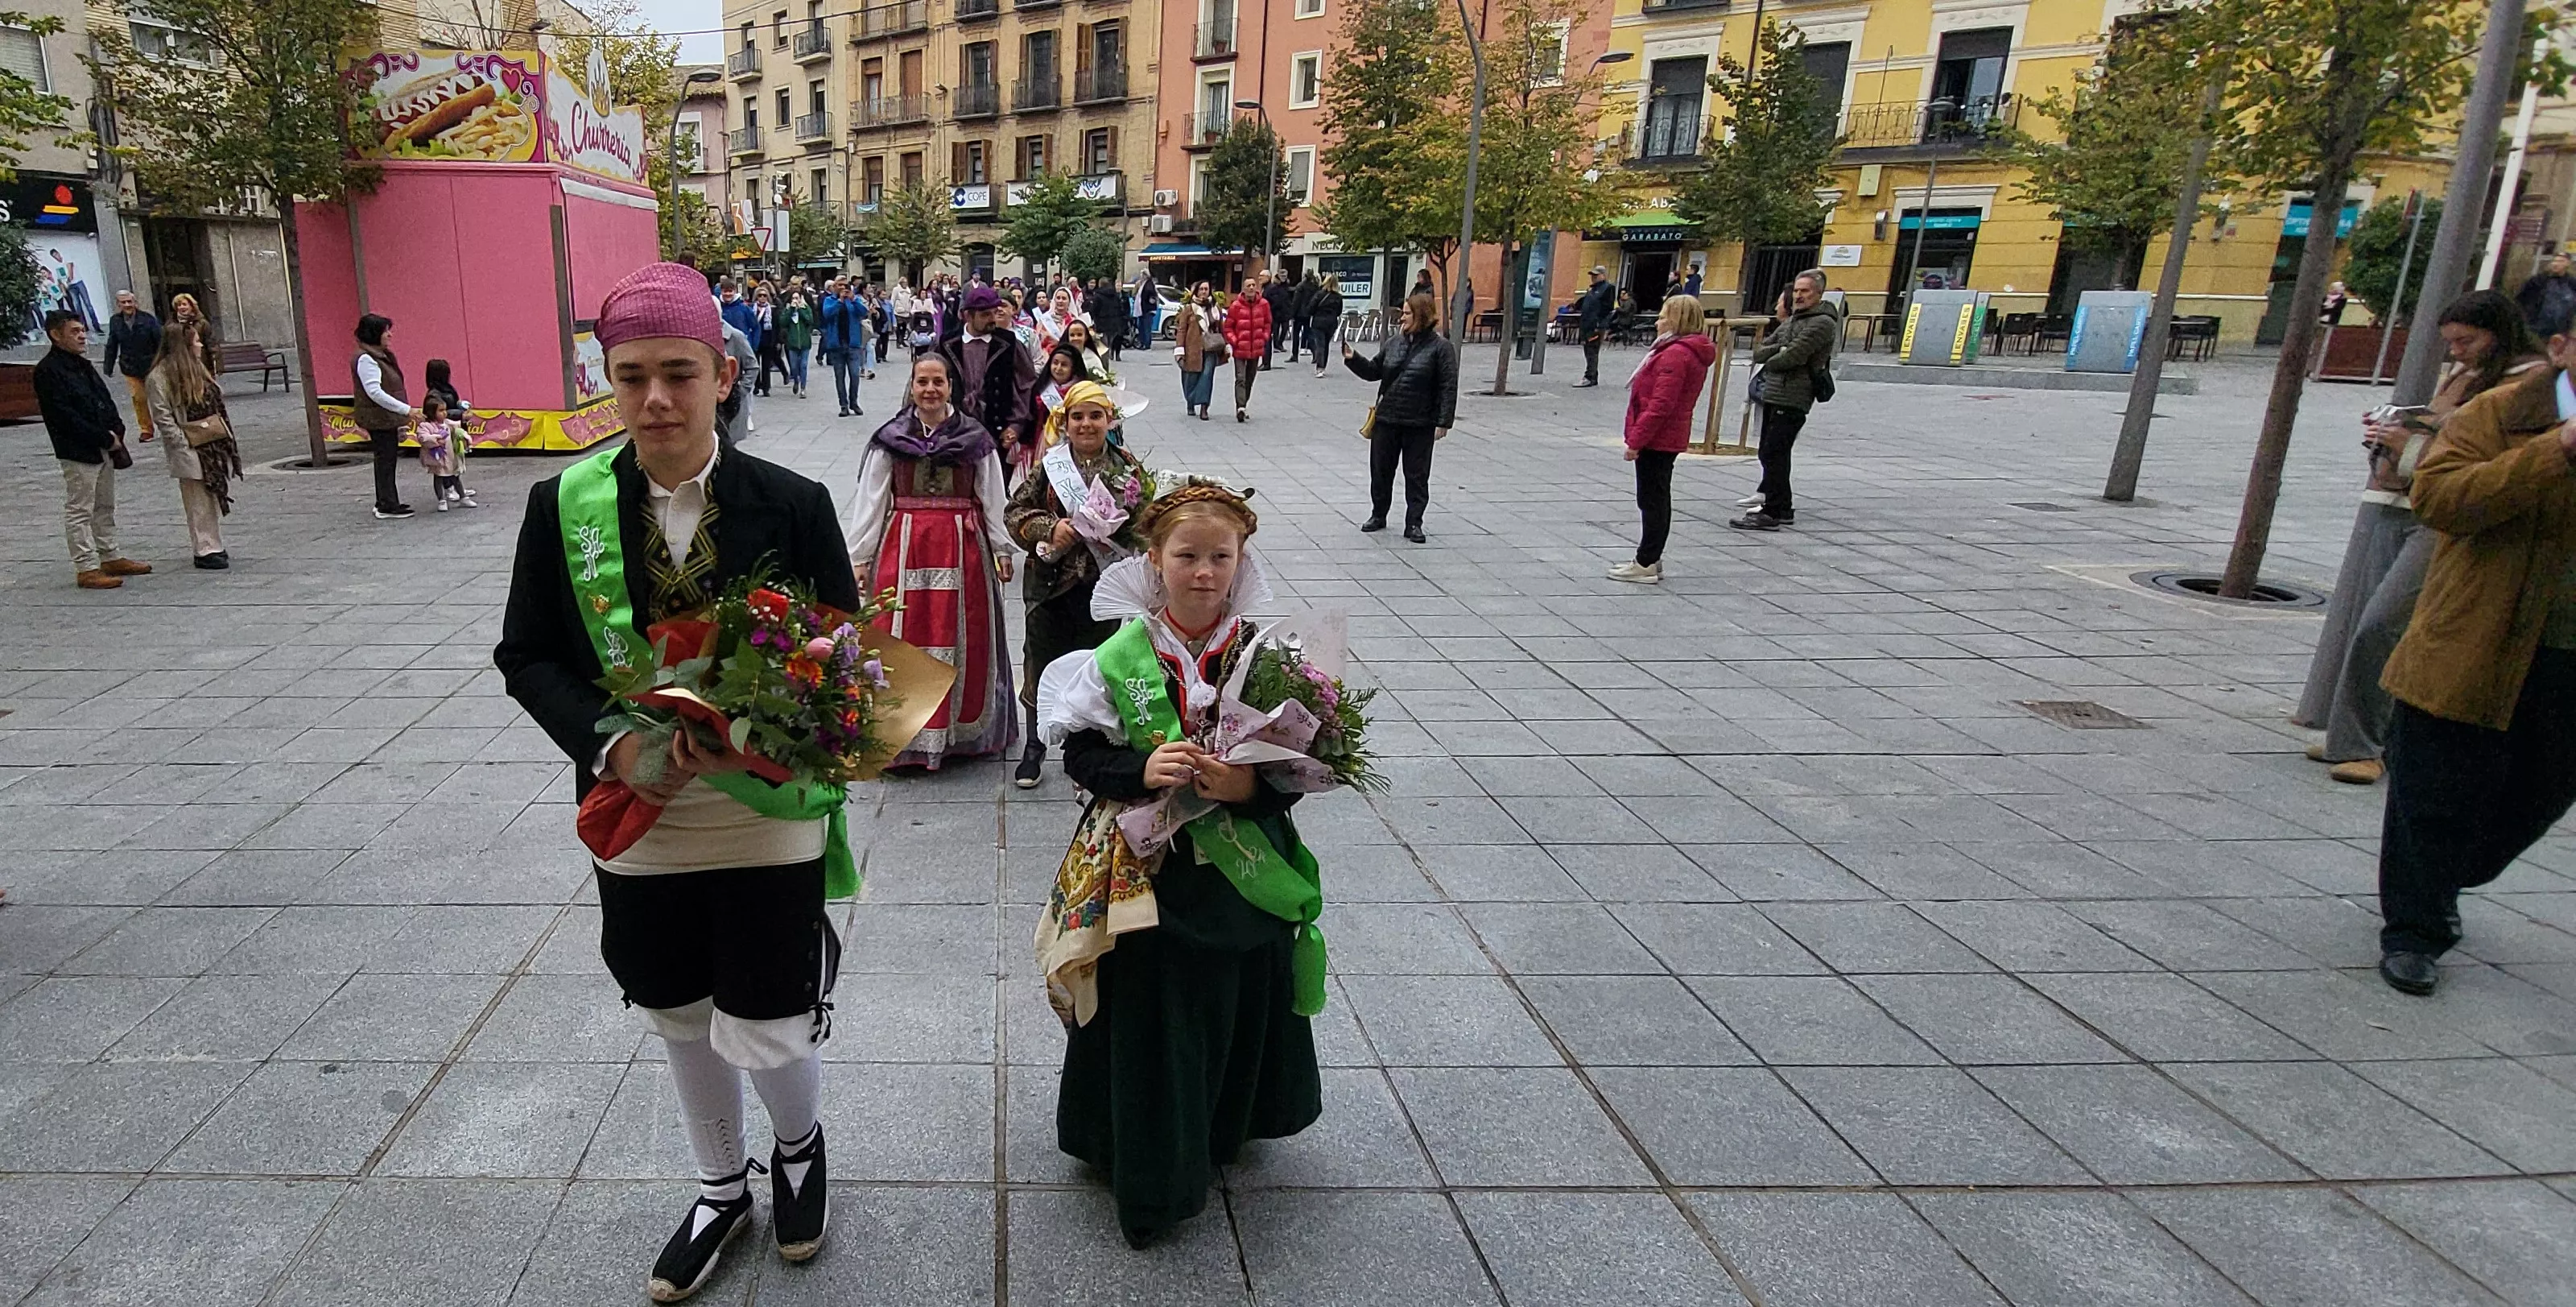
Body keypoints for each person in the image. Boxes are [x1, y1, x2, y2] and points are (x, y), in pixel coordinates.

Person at [495, 263, 858, 1301]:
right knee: (675, 1002)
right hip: (638, 805)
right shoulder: (557, 506)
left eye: (678, 374)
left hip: (763, 808)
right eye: (631, 376)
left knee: (770, 1003)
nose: (655, 398)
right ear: (607, 383)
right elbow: (526, 655)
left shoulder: (792, 503)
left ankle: (797, 1152)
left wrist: (767, 723)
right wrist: (612, 745)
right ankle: (717, 1186)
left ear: (723, 375)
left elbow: (844, 658)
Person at [1032, 482, 1324, 1249]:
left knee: (1233, 995)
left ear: (1239, 562)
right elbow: (1083, 752)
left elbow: (1300, 771)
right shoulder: (1119, 655)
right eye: (1186, 555)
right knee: (1153, 1010)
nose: (1203, 572)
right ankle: (1151, 1166)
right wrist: (1141, 766)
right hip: (1144, 872)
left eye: (1218, 557)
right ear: (1154, 561)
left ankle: (1225, 1125)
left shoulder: (1269, 658)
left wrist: (1248, 784)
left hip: (1239, 870)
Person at [2369, 312, 2576, 998]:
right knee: (2433, 790)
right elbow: (2440, 497)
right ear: (2560, 348)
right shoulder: (2503, 413)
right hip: (2474, 639)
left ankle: (2448, 873)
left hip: (2564, 656)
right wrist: (2559, 450)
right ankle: (2414, 930)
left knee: (2540, 793)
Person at [2295, 289, 2546, 786]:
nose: (2457, 352)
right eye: (2451, 343)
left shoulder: (2532, 386)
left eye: (2467, 341)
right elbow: (2439, 430)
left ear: (2499, 335)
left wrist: (2411, 442)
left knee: (2381, 624)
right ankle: (2355, 739)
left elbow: (2492, 460)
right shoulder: (2465, 376)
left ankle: (2371, 744)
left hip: (2449, 516)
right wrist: (2397, 436)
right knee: (2366, 622)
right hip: (2402, 500)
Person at [847, 353, 1018, 770]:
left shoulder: (975, 438)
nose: (929, 390)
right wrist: (860, 557)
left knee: (964, 633)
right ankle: (901, 734)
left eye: (937, 382)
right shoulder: (890, 438)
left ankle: (957, 735)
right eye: (922, 382)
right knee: (901, 635)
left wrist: (1002, 548)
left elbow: (993, 497)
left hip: (964, 547)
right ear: (911, 385)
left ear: (950, 387)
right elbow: (871, 502)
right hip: (903, 545)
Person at [1005, 380, 1146, 788]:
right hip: (1050, 586)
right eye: (1077, 417)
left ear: (1109, 420)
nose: (1086, 425)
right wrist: (1051, 527)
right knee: (1040, 660)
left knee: (1097, 665)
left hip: (1103, 587)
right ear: (1065, 423)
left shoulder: (1128, 468)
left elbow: (1145, 522)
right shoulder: (1050, 467)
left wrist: (1119, 534)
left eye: (1095, 416)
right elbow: (1015, 511)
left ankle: (1087, 749)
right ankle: (1034, 745)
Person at [35, 308, 147, 589]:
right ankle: (86, 566)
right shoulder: (49, 370)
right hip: (78, 450)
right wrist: (102, 436)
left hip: (105, 446)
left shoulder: (82, 364)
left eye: (82, 329)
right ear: (55, 335)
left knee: (104, 505)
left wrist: (116, 429)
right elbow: (63, 416)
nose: (82, 335)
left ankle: (110, 555)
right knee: (80, 509)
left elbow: (104, 399)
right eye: (75, 331)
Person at [1609, 296, 1715, 585]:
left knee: (1652, 499)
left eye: (1663, 316)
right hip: (1666, 435)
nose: (1657, 321)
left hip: (1659, 438)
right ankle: (1650, 558)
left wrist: (1636, 440)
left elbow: (1661, 404)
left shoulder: (1676, 354)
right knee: (1655, 497)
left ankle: (1646, 561)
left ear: (1677, 319)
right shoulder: (1679, 351)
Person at [1343, 292, 1457, 544]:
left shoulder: (1441, 348)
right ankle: (1378, 514)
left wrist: (1444, 421)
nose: (1402, 318)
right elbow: (1375, 371)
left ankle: (1414, 522)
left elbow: (1448, 386)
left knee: (1416, 475)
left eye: (1407, 313)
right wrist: (1354, 360)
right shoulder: (1395, 342)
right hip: (1387, 419)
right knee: (1381, 471)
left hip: (1420, 423)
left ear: (1422, 315)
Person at [1732, 270, 1839, 532]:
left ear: (1819, 293)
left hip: (1794, 396)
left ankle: (1772, 511)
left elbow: (1793, 357)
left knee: (1775, 452)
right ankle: (1783, 506)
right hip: (1773, 392)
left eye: (1806, 291)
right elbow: (1761, 351)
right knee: (1769, 452)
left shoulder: (1822, 323)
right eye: (1797, 291)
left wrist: (1779, 354)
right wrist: (1778, 352)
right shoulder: (1793, 320)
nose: (1799, 296)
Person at [142, 320, 243, 569]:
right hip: (189, 445)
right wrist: (182, 440)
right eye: (195, 341)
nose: (200, 344)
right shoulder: (160, 376)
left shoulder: (198, 368)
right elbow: (162, 416)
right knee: (197, 498)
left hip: (210, 442)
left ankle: (213, 543)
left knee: (208, 496)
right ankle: (205, 548)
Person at [936, 283, 1041, 484]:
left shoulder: (1009, 343)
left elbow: (1026, 386)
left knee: (996, 493)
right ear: (967, 315)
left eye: (995, 312)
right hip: (953, 433)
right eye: (985, 315)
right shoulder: (946, 344)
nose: (993, 319)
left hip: (998, 433)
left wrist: (1016, 425)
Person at [352, 312, 419, 520]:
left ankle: (386, 499)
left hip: (385, 418)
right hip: (379, 418)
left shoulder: (380, 355)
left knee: (388, 458)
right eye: (385, 331)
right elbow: (375, 392)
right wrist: (406, 410)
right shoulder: (366, 359)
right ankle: (387, 505)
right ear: (374, 335)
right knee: (385, 460)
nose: (390, 335)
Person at [102, 290, 162, 441]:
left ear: (135, 302)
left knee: (158, 398)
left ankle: (165, 424)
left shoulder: (148, 319)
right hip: (130, 366)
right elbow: (112, 344)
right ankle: (146, 429)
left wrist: (162, 362)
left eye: (130, 301)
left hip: (151, 365)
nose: (128, 305)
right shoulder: (115, 321)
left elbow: (160, 342)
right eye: (124, 302)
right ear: (118, 305)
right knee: (138, 398)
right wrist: (108, 366)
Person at [1223, 282, 1272, 423]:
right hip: (1240, 348)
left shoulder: (1264, 304)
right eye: (1248, 285)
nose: (1251, 288)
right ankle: (1241, 408)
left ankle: (1244, 404)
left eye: (1253, 285)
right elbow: (1228, 327)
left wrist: (1264, 337)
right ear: (1243, 289)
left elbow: (1268, 324)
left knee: (1250, 378)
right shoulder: (1236, 306)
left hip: (1256, 348)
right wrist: (1235, 340)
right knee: (1240, 378)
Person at [415, 395, 473, 511]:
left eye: (445, 410)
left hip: (451, 457)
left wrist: (465, 436)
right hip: (438, 459)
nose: (444, 413)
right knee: (439, 478)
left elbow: (458, 429)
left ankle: (463, 497)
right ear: (431, 413)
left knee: (456, 477)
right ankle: (442, 499)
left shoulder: (448, 423)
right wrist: (435, 438)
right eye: (441, 410)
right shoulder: (425, 426)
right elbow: (423, 438)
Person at [1174, 285, 1217, 420]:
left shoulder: (1214, 309)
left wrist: (1226, 347)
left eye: (1206, 289)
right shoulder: (1189, 309)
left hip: (1210, 349)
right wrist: (1180, 350)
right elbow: (1181, 330)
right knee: (1190, 378)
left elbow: (1221, 328)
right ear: (1196, 292)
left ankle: (1204, 407)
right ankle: (1191, 402)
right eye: (1202, 289)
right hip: (1192, 349)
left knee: (1207, 377)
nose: (1204, 292)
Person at [819, 280, 862, 417]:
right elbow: (827, 314)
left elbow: (863, 312)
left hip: (853, 344)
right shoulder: (829, 301)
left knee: (855, 375)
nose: (843, 288)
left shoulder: (854, 299)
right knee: (840, 377)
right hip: (836, 344)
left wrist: (853, 300)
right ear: (834, 287)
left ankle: (854, 402)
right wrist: (840, 301)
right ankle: (843, 405)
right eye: (840, 286)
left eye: (845, 286)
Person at [1574, 266, 1617, 387]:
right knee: (1588, 350)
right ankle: (1592, 376)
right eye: (1592, 275)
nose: (1593, 278)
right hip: (1587, 324)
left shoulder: (1607, 288)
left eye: (1596, 275)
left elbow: (1607, 307)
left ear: (1603, 275)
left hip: (1596, 325)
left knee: (1592, 350)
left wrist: (1599, 323)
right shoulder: (1592, 289)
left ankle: (1590, 376)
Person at [2514, 254, 2576, 337]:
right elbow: (2520, 299)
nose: (2556, 264)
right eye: (2555, 261)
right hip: (2535, 328)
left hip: (2559, 332)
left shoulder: (2572, 284)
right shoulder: (2538, 281)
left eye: (2561, 261)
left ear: (2568, 264)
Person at [1303, 275, 1344, 378]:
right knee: (1326, 345)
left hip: (1319, 322)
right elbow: (1339, 312)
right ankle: (1323, 367)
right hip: (1331, 323)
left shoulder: (1319, 294)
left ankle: (1319, 368)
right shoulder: (1338, 297)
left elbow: (1310, 308)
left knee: (1320, 345)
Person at [779, 288, 816, 399]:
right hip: (792, 343)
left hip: (805, 342)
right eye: (793, 298)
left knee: (804, 366)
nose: (795, 300)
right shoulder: (787, 310)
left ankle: (803, 388)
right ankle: (796, 380)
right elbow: (783, 322)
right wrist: (791, 309)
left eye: (797, 298)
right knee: (794, 367)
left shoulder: (806, 308)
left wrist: (800, 310)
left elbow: (810, 320)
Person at [751, 287, 784, 397]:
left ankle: (766, 388)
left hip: (768, 340)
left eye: (764, 295)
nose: (762, 297)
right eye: (760, 295)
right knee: (755, 366)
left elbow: (777, 326)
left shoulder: (772, 310)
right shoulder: (752, 309)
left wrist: (778, 341)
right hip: (755, 340)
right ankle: (757, 385)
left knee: (766, 366)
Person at [1088, 276, 1129, 362]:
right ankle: (1112, 353)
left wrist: (1094, 318)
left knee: (1103, 344)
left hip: (1102, 322)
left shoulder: (1098, 296)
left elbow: (1094, 309)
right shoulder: (1115, 295)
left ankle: (1105, 360)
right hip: (1114, 322)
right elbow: (1119, 308)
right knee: (1113, 339)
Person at [1261, 272, 1294, 370]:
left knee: (1270, 337)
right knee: (1272, 334)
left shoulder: (1272, 288)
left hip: (1276, 315)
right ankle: (1276, 346)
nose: (1259, 278)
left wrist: (1268, 310)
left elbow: (1276, 302)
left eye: (1261, 276)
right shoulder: (1271, 288)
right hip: (1278, 314)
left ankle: (1267, 361)